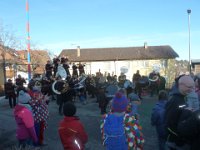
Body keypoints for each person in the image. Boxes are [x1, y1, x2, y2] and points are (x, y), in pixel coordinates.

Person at [165, 75, 195, 150]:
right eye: (189, 87)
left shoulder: (184, 96)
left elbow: (181, 113)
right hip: (176, 143)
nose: (192, 90)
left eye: (192, 87)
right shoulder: (174, 100)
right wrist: (181, 138)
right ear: (181, 85)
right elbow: (169, 124)